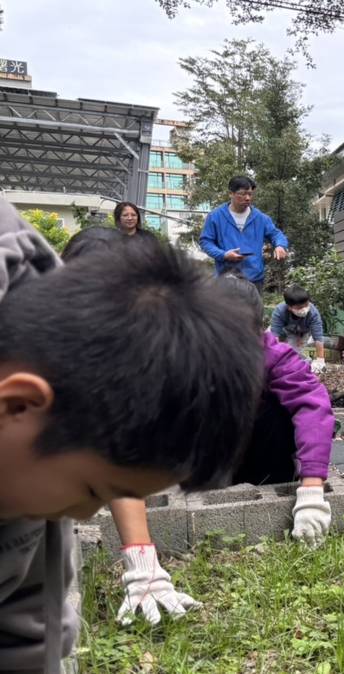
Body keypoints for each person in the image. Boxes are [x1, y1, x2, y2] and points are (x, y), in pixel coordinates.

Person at [0, 199, 263, 672]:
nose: (85, 514)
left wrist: (141, 562)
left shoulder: (26, 478)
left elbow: (27, 634)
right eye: (91, 490)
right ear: (17, 405)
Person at [108, 275, 336, 626]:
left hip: (262, 458)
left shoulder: (276, 356)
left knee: (280, 408)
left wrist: (311, 486)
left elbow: (313, 406)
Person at [198, 176, 289, 291]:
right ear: (231, 193)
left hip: (254, 280)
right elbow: (206, 242)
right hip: (225, 280)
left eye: (250, 194)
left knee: (252, 309)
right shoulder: (215, 217)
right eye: (242, 194)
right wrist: (223, 255)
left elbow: (276, 234)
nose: (247, 198)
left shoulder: (260, 218)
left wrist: (280, 245)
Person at [270, 286, 326, 373]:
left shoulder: (313, 313)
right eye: (299, 308)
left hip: (301, 334)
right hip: (283, 330)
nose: (304, 309)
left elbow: (318, 338)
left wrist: (321, 360)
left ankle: (306, 364)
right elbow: (274, 336)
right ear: (289, 307)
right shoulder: (279, 311)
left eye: (306, 305)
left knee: (293, 355)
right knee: (269, 343)